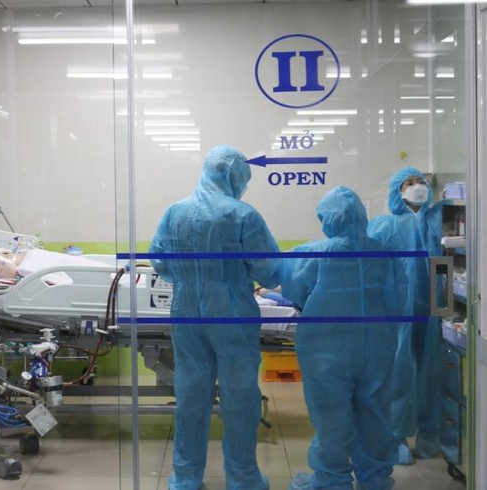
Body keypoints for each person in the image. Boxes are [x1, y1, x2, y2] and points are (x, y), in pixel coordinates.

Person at [148, 144, 282, 490]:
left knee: (191, 396)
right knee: (240, 397)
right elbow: (269, 271)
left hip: (187, 313)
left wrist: (190, 279)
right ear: (235, 176)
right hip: (232, 314)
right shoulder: (242, 215)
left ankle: (186, 477)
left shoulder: (175, 211)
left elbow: (159, 261)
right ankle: (242, 476)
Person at [281, 186, 403, 490]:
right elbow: (398, 298)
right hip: (376, 345)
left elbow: (296, 290)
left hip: (327, 347)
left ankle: (332, 479)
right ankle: (375, 477)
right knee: (375, 411)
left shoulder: (315, 253)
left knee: (330, 414)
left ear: (328, 218)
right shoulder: (384, 253)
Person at [367, 167, 443, 464]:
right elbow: (370, 267)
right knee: (399, 368)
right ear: (396, 191)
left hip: (433, 307)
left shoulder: (437, 221)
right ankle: (394, 436)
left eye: (420, 182)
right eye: (408, 183)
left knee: (432, 368)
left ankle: (431, 433)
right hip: (396, 308)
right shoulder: (384, 226)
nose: (416, 187)